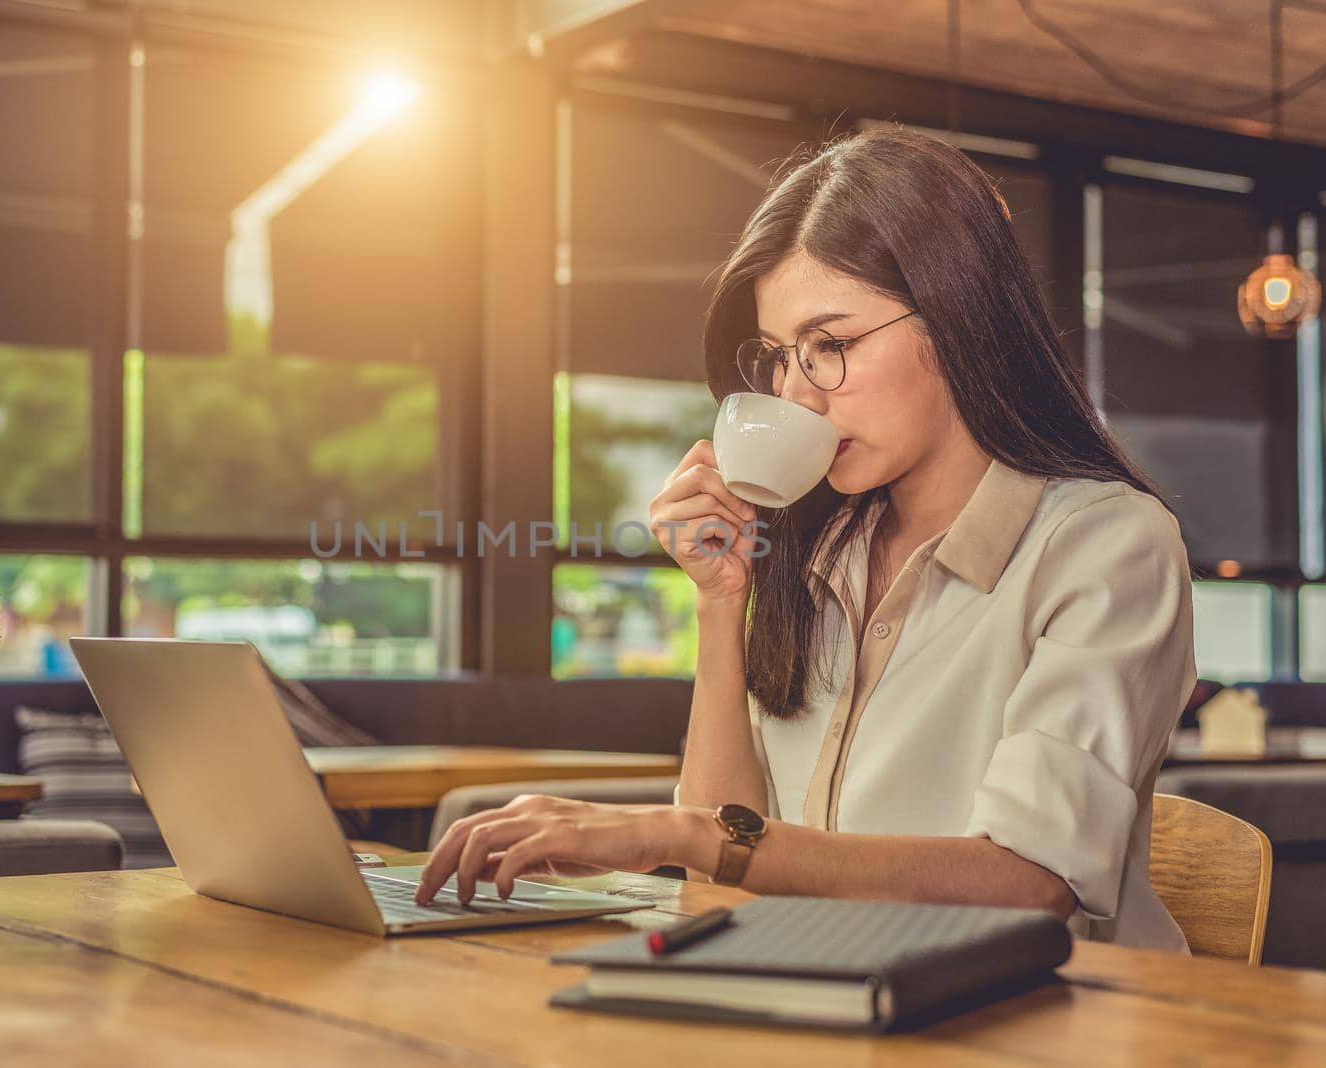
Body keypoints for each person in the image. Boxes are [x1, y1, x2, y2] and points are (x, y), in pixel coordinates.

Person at [415, 127, 1195, 951]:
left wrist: (674, 833)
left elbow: (1029, 882)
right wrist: (721, 605)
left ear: (958, 314)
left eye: (832, 345)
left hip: (1033, 1022)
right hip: (831, 993)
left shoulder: (1107, 545)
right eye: (784, 357)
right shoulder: (827, 552)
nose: (798, 395)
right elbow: (732, 867)